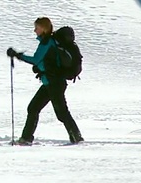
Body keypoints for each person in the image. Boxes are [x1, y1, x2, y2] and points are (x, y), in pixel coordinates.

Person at [6, 17, 83, 145]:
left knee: (61, 113)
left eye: (37, 27)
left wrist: (17, 55)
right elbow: (44, 61)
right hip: (51, 83)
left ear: (44, 28)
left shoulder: (47, 42)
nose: (35, 30)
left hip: (54, 83)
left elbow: (36, 59)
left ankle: (76, 137)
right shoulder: (49, 41)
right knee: (34, 108)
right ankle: (26, 138)